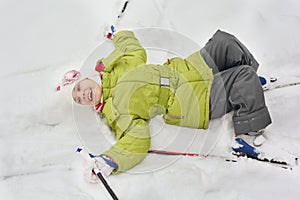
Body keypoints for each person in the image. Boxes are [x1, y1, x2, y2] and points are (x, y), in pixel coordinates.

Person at [71, 29, 272, 181]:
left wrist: (117, 36)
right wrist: (111, 161)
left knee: (224, 41)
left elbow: (134, 50)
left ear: (89, 78)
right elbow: (135, 141)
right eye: (79, 99)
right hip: (192, 100)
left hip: (190, 68)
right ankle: (249, 128)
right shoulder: (114, 111)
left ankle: (249, 87)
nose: (83, 95)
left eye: (80, 88)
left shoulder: (115, 70)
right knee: (242, 77)